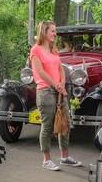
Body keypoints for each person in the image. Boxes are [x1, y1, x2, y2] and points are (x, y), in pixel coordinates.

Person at [30, 20, 82, 171]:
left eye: (55, 30)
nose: (55, 33)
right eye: (52, 31)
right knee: (47, 126)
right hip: (45, 91)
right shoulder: (36, 50)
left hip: (59, 90)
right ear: (44, 32)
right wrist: (56, 85)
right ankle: (46, 160)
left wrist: (62, 84)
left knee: (65, 122)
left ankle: (64, 157)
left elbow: (60, 69)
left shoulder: (54, 49)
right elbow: (40, 72)